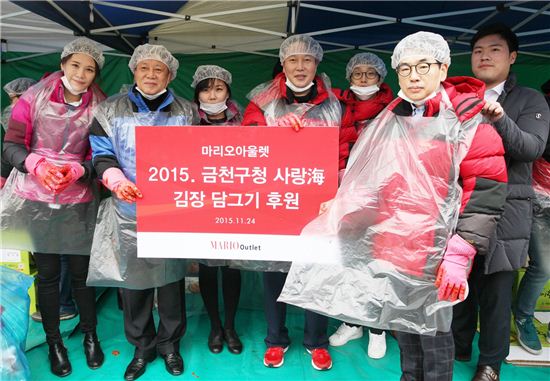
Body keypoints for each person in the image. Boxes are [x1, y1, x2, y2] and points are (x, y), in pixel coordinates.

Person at [278, 31, 508, 381]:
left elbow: (486, 188)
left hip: (438, 252)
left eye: (423, 66)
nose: (414, 76)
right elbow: (372, 178)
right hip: (393, 247)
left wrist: (462, 251)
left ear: (443, 68)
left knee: (433, 335)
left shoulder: (467, 119)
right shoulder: (390, 119)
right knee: (404, 327)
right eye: (405, 68)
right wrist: (342, 206)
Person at [88, 43, 198, 381]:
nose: (151, 75)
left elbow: (200, 156)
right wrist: (116, 180)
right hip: (127, 208)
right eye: (144, 68)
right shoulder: (110, 110)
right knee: (133, 284)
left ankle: (170, 346)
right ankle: (142, 347)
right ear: (134, 71)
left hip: (171, 210)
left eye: (158, 69)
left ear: (170, 74)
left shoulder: (187, 111)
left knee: (169, 282)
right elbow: (101, 154)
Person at [242, 34, 348, 371]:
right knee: (275, 273)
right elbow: (246, 146)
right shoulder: (262, 102)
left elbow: (346, 150)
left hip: (321, 204)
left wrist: (338, 191)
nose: (300, 66)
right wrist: (273, 135)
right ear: (283, 63)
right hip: (275, 201)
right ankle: (276, 339)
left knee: (316, 272)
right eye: (293, 60)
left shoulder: (337, 102)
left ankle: (316, 341)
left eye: (307, 60)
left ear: (317, 64)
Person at [1, 37, 106, 377]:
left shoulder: (99, 105)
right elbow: (12, 145)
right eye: (75, 65)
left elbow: (101, 155)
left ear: (95, 75)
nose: (81, 73)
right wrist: (35, 164)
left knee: (81, 274)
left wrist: (81, 169)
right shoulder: (33, 98)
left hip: (78, 198)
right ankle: (54, 342)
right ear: (63, 65)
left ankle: (91, 335)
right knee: (47, 276)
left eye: (89, 69)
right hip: (36, 198)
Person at [452, 23, 550, 381]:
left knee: (495, 291)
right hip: (459, 205)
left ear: (512, 57)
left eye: (494, 50)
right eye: (478, 50)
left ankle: (490, 363)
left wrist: (500, 118)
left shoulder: (529, 99)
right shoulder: (458, 96)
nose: (484, 56)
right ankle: (459, 346)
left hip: (506, 210)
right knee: (455, 282)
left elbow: (531, 148)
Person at [328, 52, 393, 359]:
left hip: (382, 195)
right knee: (347, 260)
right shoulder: (336, 107)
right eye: (358, 74)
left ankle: (377, 328)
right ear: (349, 77)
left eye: (370, 74)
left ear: (381, 79)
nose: (364, 79)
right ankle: (350, 321)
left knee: (376, 261)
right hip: (342, 192)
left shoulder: (395, 109)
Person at [190, 64, 243, 354]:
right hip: (201, 205)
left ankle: (231, 325)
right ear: (197, 93)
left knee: (233, 267)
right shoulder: (187, 121)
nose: (212, 95)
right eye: (206, 88)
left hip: (237, 205)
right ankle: (214, 325)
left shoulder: (244, 120)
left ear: (228, 91)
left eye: (219, 88)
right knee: (208, 268)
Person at [1, 78, 36, 188]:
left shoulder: (20, 115)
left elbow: (12, 146)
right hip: (22, 168)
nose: (12, 103)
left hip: (31, 173)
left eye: (13, 98)